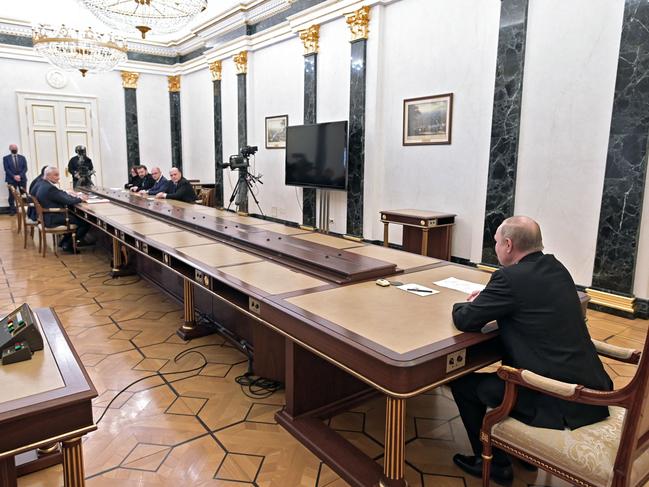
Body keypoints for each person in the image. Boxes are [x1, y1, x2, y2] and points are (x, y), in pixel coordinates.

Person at [450, 216, 612, 483]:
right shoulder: (557, 268)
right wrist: (491, 297)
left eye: (497, 243)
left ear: (509, 245)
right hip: (592, 383)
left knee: (463, 385)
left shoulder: (509, 278)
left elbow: (466, 320)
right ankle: (522, 455)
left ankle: (494, 463)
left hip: (555, 395)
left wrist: (462, 304)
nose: (496, 248)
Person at [34, 166, 90, 253]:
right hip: (53, 218)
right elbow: (67, 201)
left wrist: (71, 195)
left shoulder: (44, 184)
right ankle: (69, 245)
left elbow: (59, 194)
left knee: (77, 218)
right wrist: (81, 198)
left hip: (47, 217)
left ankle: (64, 242)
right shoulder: (49, 188)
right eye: (56, 175)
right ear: (48, 176)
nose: (58, 177)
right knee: (85, 223)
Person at [3, 144, 28, 215]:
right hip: (11, 179)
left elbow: (25, 168)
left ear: (17, 149)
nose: (14, 149)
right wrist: (14, 176)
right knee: (11, 195)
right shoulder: (6, 158)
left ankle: (25, 209)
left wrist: (19, 176)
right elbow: (6, 169)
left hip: (22, 179)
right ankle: (12, 210)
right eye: (13, 148)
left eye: (15, 148)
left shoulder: (22, 157)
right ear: (10, 149)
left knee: (23, 195)